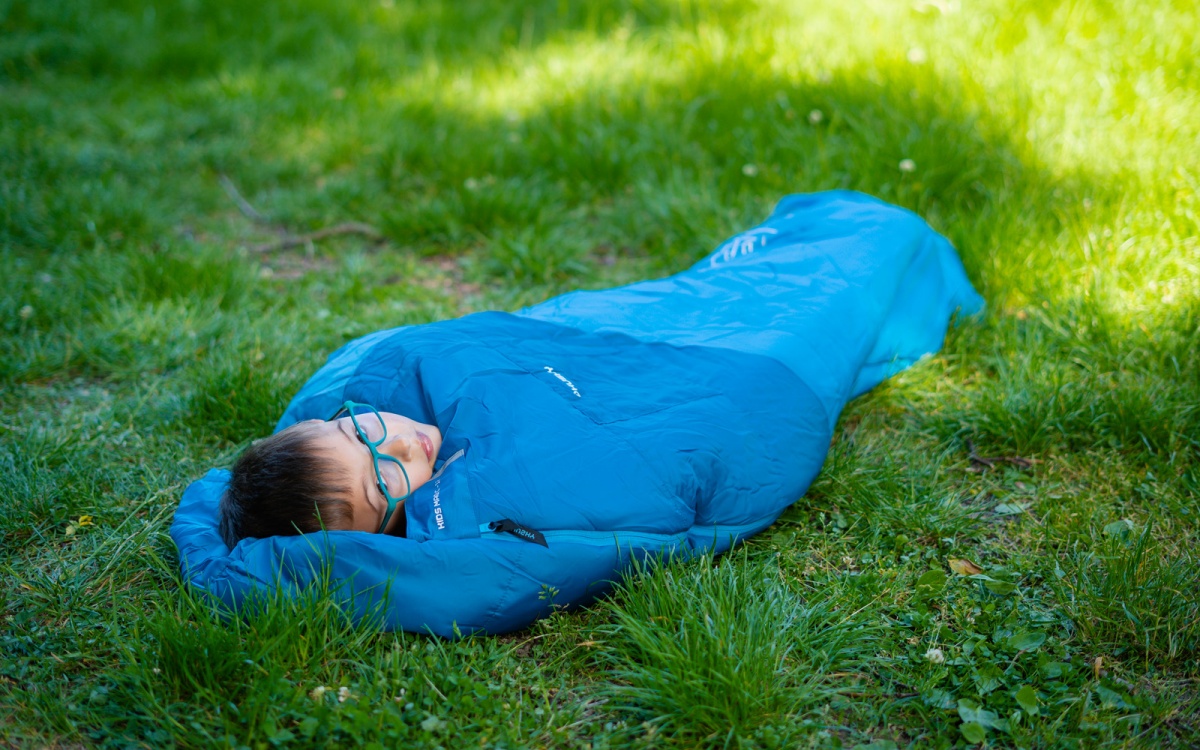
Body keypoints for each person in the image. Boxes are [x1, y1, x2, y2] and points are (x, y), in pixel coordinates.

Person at [172, 190, 983, 637]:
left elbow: (403, 363)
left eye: (361, 432)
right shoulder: (457, 548)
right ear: (371, 538)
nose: (400, 442)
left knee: (741, 287)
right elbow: (414, 582)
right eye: (385, 481)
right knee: (840, 289)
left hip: (610, 340)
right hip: (722, 393)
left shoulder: (366, 393)